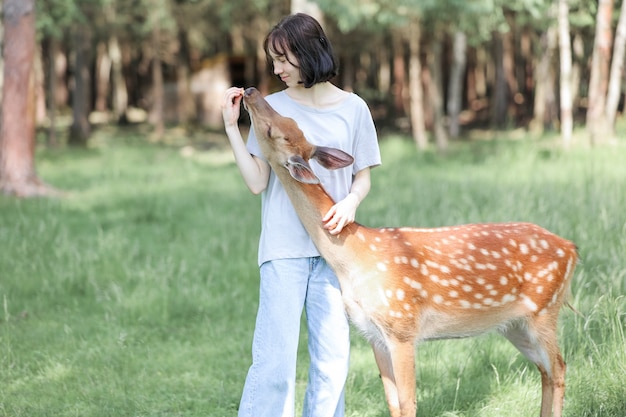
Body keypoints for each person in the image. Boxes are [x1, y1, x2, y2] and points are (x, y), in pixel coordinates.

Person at [221, 13, 381, 417]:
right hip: (283, 250)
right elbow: (258, 182)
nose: (276, 69)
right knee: (274, 364)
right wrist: (231, 129)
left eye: (284, 59)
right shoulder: (271, 108)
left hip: (335, 253)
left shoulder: (354, 108)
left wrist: (351, 203)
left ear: (310, 53)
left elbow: (362, 177)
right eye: (273, 60)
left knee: (331, 366)